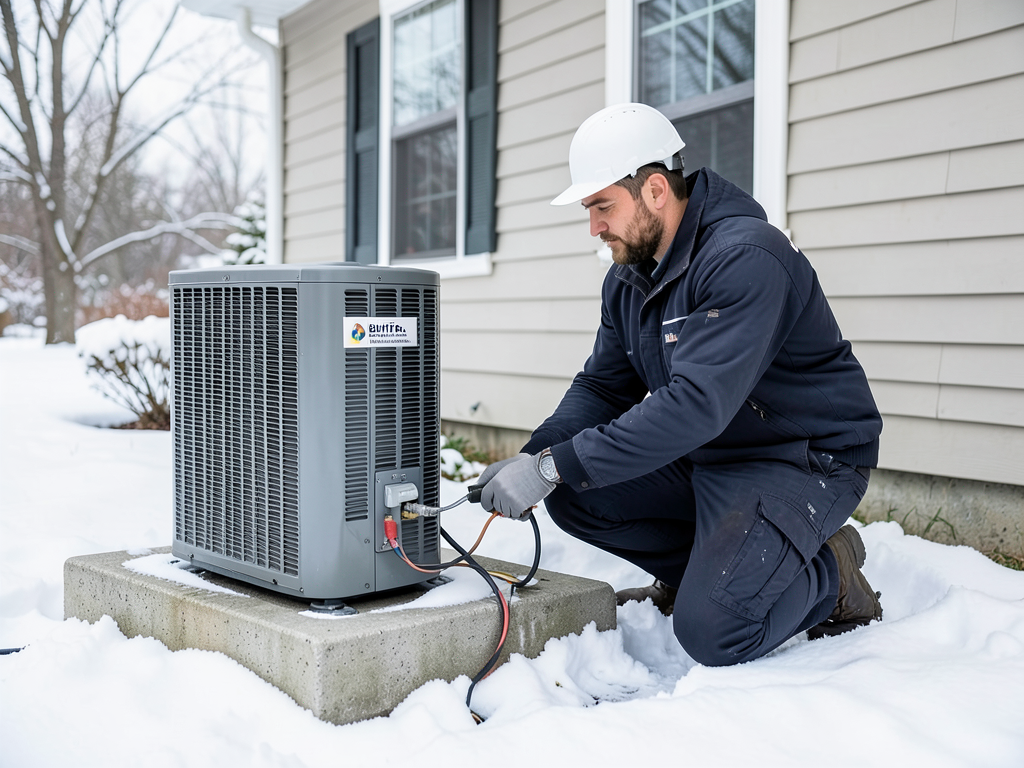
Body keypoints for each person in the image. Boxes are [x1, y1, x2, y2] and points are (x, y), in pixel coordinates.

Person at [477, 102, 884, 666]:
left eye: (602, 206)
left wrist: (552, 465)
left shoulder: (745, 256)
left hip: (800, 458)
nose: (594, 226)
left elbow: (696, 405)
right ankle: (711, 572)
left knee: (715, 633)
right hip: (711, 452)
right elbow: (601, 387)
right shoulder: (628, 278)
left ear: (655, 191)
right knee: (573, 491)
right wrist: (537, 459)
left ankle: (830, 571)